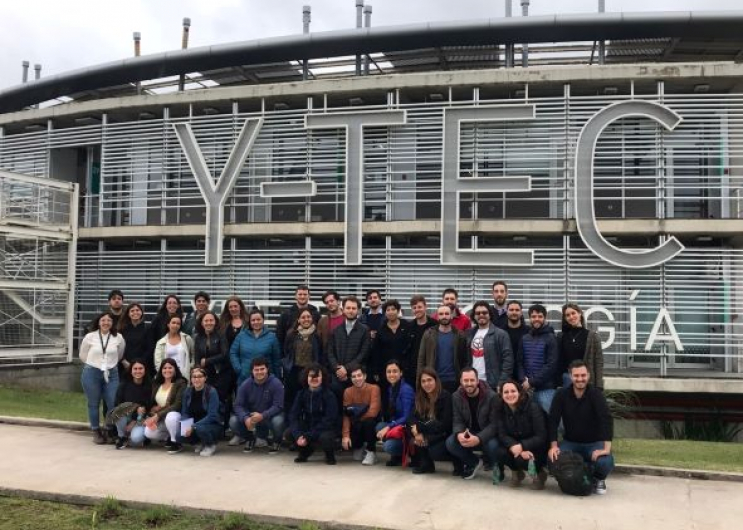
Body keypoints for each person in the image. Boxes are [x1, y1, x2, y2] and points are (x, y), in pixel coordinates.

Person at [548, 360, 614, 495]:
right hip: (570, 443)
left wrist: (606, 449)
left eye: (583, 375)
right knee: (552, 458)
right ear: (571, 376)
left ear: (588, 376)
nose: (580, 379)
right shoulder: (561, 395)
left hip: (594, 443)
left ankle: (598, 478)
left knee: (605, 462)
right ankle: (573, 477)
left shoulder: (596, 395)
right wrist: (553, 446)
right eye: (576, 376)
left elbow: (606, 420)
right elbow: (553, 420)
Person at [445, 367, 500, 480]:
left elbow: (494, 424)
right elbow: (457, 419)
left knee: (493, 446)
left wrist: (479, 438)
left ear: (477, 381)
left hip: (486, 434)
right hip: (469, 432)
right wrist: (459, 433)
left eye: (472, 380)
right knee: (451, 442)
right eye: (466, 380)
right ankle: (473, 462)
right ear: (461, 381)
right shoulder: (456, 396)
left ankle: (497, 466)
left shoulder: (492, 396)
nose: (469, 383)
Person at [80, 312, 126, 444]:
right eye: (103, 320)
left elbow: (120, 353)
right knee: (93, 403)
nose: (106, 323)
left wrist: (108, 363)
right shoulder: (90, 336)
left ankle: (108, 429)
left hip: (112, 373)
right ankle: (96, 430)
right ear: (99, 322)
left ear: (113, 323)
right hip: (92, 372)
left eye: (109, 320)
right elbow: (83, 355)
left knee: (112, 402)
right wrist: (96, 363)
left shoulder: (118, 337)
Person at [495, 380, 549, 489]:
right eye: (506, 392)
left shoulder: (533, 407)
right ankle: (517, 473)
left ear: (519, 393)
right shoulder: (500, 409)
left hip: (536, 447)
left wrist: (522, 446)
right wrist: (514, 446)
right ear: (501, 395)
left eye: (513, 391)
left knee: (523, 459)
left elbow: (541, 436)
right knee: (499, 450)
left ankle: (540, 473)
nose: (510, 394)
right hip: (515, 446)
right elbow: (502, 434)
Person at [229, 357, 286, 453]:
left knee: (278, 421)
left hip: (270, 416)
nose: (259, 372)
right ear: (252, 371)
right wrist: (245, 417)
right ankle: (250, 439)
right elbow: (238, 405)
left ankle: (276, 441)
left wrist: (263, 415)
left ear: (267, 369)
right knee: (233, 421)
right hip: (252, 417)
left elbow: (278, 406)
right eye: (256, 370)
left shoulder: (276, 383)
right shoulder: (245, 385)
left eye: (262, 369)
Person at [288, 363, 339, 465]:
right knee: (289, 433)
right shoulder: (301, 394)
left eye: (317, 376)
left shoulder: (329, 395)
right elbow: (293, 415)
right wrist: (298, 435)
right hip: (308, 426)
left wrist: (309, 436)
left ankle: (329, 454)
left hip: (325, 428)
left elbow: (330, 419)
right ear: (306, 377)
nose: (314, 379)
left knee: (326, 438)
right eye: (311, 376)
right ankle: (305, 452)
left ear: (322, 378)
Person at [193, 310, 235, 432]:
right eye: (206, 320)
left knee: (221, 401)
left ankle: (223, 428)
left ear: (215, 322)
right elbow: (197, 358)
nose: (209, 322)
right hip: (206, 376)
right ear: (201, 323)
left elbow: (225, 354)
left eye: (211, 320)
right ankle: (209, 427)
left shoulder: (221, 335)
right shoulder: (198, 338)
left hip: (221, 373)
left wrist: (207, 361)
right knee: (207, 401)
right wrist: (197, 370)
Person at [406, 368, 453, 474]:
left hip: (442, 434)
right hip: (427, 431)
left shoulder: (445, 396)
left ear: (436, 381)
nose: (427, 384)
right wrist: (416, 430)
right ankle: (426, 464)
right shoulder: (420, 397)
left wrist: (420, 428)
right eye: (423, 381)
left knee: (434, 450)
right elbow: (410, 417)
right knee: (409, 429)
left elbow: (444, 424)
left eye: (429, 380)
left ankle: (457, 461)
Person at [516, 304, 558, 414]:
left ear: (545, 318)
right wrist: (523, 380)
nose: (537, 319)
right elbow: (519, 362)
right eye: (534, 316)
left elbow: (551, 365)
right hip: (527, 390)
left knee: (553, 421)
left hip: (546, 389)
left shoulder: (551, 338)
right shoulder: (525, 338)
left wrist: (531, 381)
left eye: (540, 316)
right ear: (529, 318)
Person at [326, 296, 371, 397]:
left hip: (356, 377)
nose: (351, 311)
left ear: (358, 311)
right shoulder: (336, 330)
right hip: (337, 377)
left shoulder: (364, 330)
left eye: (354, 308)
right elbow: (330, 352)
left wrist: (346, 369)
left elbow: (364, 353)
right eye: (348, 308)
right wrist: (337, 369)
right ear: (343, 309)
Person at [417, 305, 468, 394]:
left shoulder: (460, 335)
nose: (444, 316)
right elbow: (421, 359)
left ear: (451, 315)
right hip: (434, 380)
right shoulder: (428, 334)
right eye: (441, 314)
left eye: (447, 314)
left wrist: (463, 379)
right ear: (437, 316)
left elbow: (465, 360)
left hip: (454, 381)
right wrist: (419, 380)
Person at [174, 367, 223, 456]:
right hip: (194, 423)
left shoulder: (211, 391)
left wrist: (193, 426)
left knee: (200, 428)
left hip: (210, 424)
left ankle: (210, 444)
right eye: (194, 377)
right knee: (178, 435)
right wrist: (185, 425)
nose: (197, 379)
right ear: (191, 379)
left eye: (200, 376)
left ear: (205, 378)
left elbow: (212, 415)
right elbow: (185, 412)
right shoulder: (187, 391)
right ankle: (198, 443)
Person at [467, 300, 514, 393]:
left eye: (484, 312)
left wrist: (502, 382)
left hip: (493, 384)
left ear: (490, 314)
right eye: (478, 313)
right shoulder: (469, 334)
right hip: (473, 383)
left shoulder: (501, 334)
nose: (481, 315)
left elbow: (508, 361)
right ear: (474, 316)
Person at [375, 360, 415, 467]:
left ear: (401, 373)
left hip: (407, 429)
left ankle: (408, 452)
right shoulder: (391, 389)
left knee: (388, 446)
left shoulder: (406, 389)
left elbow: (407, 416)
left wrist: (389, 427)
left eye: (395, 371)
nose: (391, 374)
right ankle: (396, 457)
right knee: (379, 426)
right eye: (389, 372)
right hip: (397, 425)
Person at [283, 307, 323, 411]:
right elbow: (286, 351)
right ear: (298, 320)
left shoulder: (317, 335)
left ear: (312, 318)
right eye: (303, 317)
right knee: (292, 400)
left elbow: (320, 353)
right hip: (293, 371)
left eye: (308, 317)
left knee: (309, 400)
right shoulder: (291, 334)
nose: (306, 319)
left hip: (310, 373)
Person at [341, 363, 382, 466]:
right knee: (356, 456)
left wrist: (356, 419)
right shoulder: (347, 392)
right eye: (353, 376)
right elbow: (346, 415)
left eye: (359, 375)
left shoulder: (374, 388)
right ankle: (359, 446)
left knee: (369, 423)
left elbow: (373, 412)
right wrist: (345, 436)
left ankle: (371, 451)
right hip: (356, 423)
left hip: (369, 422)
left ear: (365, 376)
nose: (357, 378)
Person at [143, 358, 187, 451]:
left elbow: (177, 405)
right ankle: (169, 437)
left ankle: (176, 442)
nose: (167, 370)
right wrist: (152, 410)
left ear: (175, 369)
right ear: (161, 370)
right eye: (164, 368)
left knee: (171, 417)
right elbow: (153, 402)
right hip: (161, 417)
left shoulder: (180, 383)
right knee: (148, 432)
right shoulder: (157, 383)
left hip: (175, 415)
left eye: (170, 367)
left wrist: (158, 415)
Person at [230, 308, 281, 387]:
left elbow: (276, 360)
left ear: (263, 320)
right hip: (244, 378)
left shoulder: (272, 337)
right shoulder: (241, 336)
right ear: (250, 322)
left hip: (266, 381)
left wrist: (277, 379)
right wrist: (239, 369)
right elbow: (233, 353)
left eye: (258, 319)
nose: (256, 322)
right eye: (253, 320)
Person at [559, 303, 604, 390]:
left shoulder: (593, 336)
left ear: (579, 313)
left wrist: (599, 386)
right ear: (565, 318)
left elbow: (598, 362)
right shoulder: (561, 336)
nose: (571, 317)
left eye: (573, 313)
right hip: (567, 379)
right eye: (567, 315)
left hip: (586, 379)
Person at [112, 359, 153, 449]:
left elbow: (149, 407)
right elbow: (118, 404)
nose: (138, 371)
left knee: (136, 439)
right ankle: (122, 437)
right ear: (131, 371)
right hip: (126, 416)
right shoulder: (123, 385)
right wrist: (134, 409)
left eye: (140, 368)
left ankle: (140, 437)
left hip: (141, 419)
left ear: (145, 370)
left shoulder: (150, 386)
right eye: (135, 369)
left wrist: (134, 421)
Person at [372, 300, 412, 385]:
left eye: (393, 309)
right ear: (385, 313)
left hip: (405, 369)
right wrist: (376, 371)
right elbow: (376, 352)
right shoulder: (381, 329)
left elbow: (411, 347)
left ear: (398, 311)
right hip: (386, 370)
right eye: (388, 310)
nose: (391, 312)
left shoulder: (407, 326)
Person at [276, 285, 321, 354]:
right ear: (295, 296)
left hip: (312, 357)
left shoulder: (316, 314)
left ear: (309, 296)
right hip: (291, 358)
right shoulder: (286, 315)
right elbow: (280, 337)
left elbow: (319, 335)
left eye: (305, 294)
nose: (302, 297)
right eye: (300, 294)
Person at [407, 295, 436, 384]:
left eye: (419, 307)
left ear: (425, 307)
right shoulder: (409, 327)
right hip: (413, 370)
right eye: (414, 308)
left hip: (431, 368)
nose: (417, 310)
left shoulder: (435, 325)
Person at [118, 302, 150, 379]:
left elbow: (150, 348)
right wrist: (124, 361)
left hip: (141, 367)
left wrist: (140, 363)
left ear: (141, 313)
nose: (135, 312)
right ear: (128, 314)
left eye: (137, 310)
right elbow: (118, 347)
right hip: (124, 366)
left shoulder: (148, 329)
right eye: (132, 311)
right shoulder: (122, 329)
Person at [505, 301, 528, 372]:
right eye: (511, 310)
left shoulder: (529, 332)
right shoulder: (500, 332)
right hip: (506, 373)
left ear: (521, 313)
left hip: (525, 374)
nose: (514, 312)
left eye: (517, 310)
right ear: (506, 312)